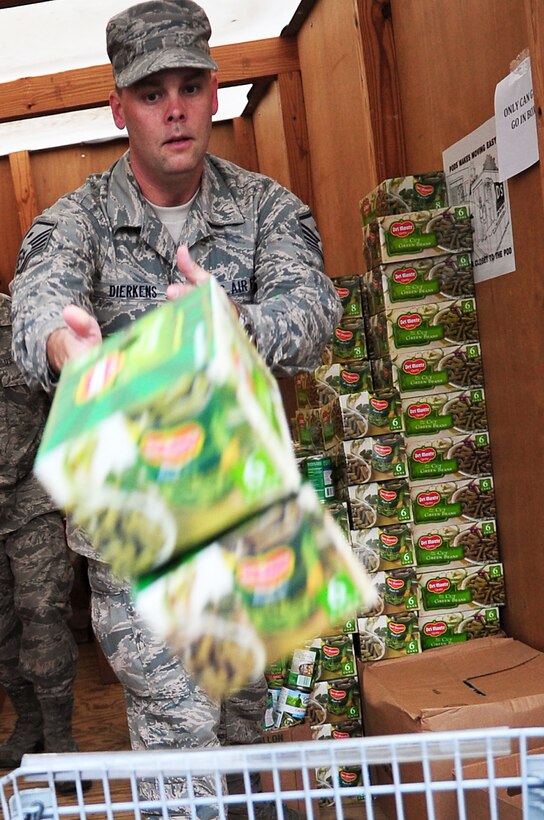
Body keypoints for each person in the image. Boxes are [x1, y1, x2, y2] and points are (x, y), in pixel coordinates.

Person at [10, 0, 342, 815]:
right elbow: (34, 303)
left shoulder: (268, 209)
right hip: (139, 526)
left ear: (217, 94)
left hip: (247, 510)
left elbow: (315, 318)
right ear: (117, 107)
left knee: (246, 742)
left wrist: (243, 326)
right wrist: (66, 344)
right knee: (181, 750)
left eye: (189, 85)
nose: (173, 107)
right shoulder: (78, 218)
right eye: (150, 91)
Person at [0, 294, 85, 791]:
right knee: (3, 627)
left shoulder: (23, 323)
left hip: (33, 500)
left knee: (42, 613)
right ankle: (28, 722)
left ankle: (61, 739)